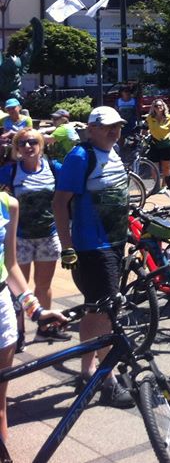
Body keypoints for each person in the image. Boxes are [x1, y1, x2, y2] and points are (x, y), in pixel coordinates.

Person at [52, 106, 135, 408]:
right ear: (91, 129)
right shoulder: (79, 157)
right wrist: (67, 246)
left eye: (118, 126)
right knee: (106, 314)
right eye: (108, 126)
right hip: (93, 248)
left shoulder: (113, 152)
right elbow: (59, 203)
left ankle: (87, 372)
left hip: (114, 244)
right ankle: (108, 381)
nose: (114, 131)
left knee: (94, 310)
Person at [0, 186, 66, 443]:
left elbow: (10, 265)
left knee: (0, 407)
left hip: (1, 309)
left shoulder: (8, 204)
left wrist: (35, 310)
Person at [0, 128, 67, 346]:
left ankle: (44, 329)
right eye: (22, 143)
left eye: (32, 142)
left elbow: (68, 194)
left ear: (41, 145)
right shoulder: (10, 171)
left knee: (43, 285)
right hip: (19, 238)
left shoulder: (54, 168)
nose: (28, 146)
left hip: (48, 236)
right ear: (16, 148)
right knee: (18, 288)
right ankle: (18, 333)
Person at [144, 99, 170, 184]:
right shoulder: (150, 118)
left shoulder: (169, 118)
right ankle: (156, 185)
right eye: (156, 106)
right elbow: (144, 127)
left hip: (166, 144)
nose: (158, 107)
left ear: (163, 107)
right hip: (154, 144)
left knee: (166, 167)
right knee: (154, 167)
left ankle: (165, 185)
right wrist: (145, 134)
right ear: (153, 108)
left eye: (160, 105)